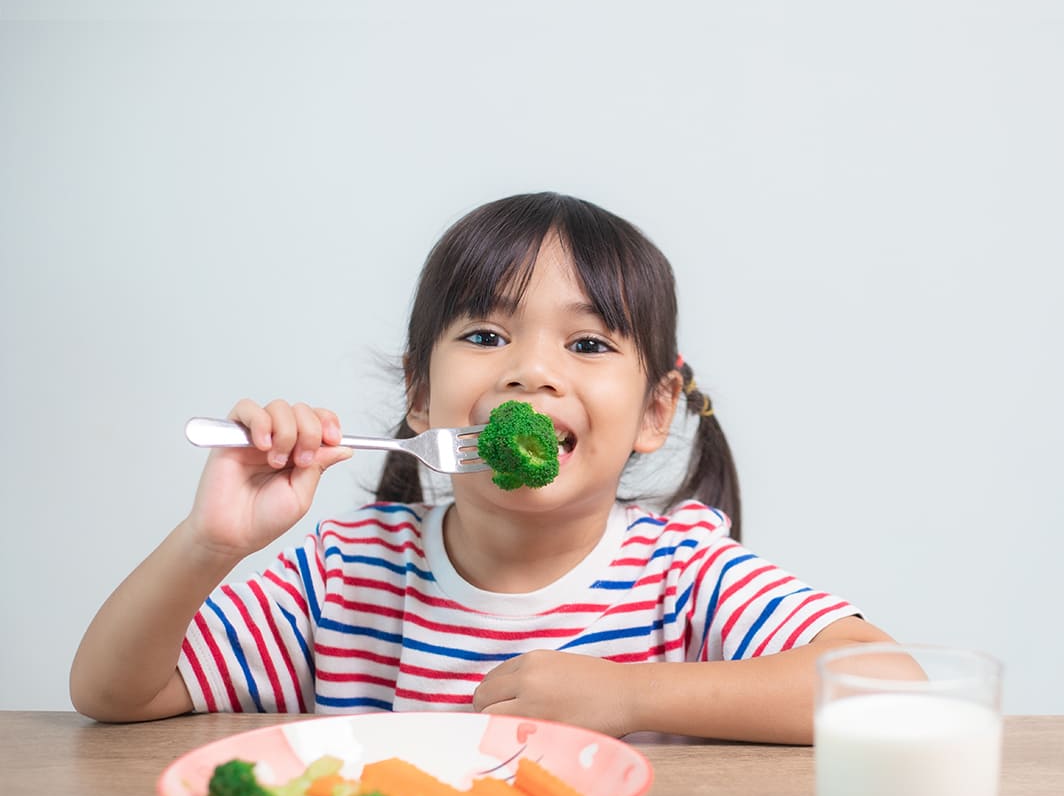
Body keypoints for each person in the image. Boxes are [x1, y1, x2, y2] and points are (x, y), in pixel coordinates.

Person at [70, 191, 893, 742]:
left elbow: (887, 681)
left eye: (587, 344)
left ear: (654, 411)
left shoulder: (679, 570)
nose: (530, 371)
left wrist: (633, 697)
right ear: (420, 396)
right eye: (487, 336)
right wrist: (209, 543)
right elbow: (115, 695)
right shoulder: (347, 576)